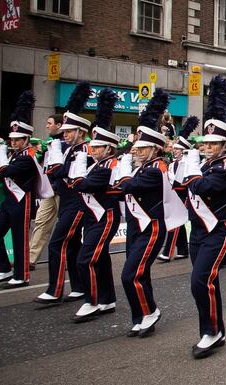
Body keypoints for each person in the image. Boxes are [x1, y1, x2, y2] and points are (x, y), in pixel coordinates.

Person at [181, 81, 226, 356]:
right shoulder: (206, 164)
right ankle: (214, 328)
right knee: (204, 281)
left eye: (214, 143)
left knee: (200, 280)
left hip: (218, 228)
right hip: (198, 228)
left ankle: (211, 332)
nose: (208, 147)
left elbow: (200, 186)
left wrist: (190, 167)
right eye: (206, 143)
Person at [114, 89, 170, 337]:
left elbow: (128, 186)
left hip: (152, 227)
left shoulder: (156, 168)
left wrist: (124, 170)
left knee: (130, 274)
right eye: (135, 148)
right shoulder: (141, 167)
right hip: (137, 225)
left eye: (141, 148)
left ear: (155, 149)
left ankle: (150, 312)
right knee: (138, 273)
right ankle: (140, 315)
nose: (135, 151)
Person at [35, 82, 93, 304]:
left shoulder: (86, 150)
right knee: (72, 244)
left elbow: (62, 171)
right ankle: (78, 286)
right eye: (65, 131)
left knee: (57, 243)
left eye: (70, 131)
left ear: (80, 132)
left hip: (78, 202)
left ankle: (54, 290)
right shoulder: (68, 149)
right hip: (66, 199)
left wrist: (58, 164)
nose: (65, 134)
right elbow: (53, 172)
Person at [68, 89, 121, 322]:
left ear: (109, 148)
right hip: (93, 218)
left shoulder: (107, 167)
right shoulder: (97, 165)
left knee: (85, 259)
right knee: (101, 258)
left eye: (98, 147)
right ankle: (107, 299)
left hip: (105, 217)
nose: (93, 150)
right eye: (93, 147)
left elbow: (81, 185)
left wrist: (78, 168)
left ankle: (92, 301)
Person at [0, 91, 42, 288]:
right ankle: (2, 268)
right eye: (12, 139)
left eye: (18, 139)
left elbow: (3, 172)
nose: (14, 142)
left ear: (26, 139)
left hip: (22, 201)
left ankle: (22, 275)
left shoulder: (28, 156)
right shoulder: (14, 154)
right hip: (8, 200)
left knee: (19, 240)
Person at [159, 116, 200, 262]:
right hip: (174, 195)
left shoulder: (188, 162)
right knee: (178, 222)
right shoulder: (172, 164)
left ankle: (168, 252)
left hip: (184, 195)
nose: (175, 151)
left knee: (175, 221)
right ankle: (183, 250)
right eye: (174, 149)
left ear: (184, 150)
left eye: (178, 149)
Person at [28, 114, 64, 269]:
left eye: (50, 123)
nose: (47, 126)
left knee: (67, 226)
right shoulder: (49, 144)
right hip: (50, 190)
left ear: (59, 125)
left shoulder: (66, 144)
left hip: (63, 190)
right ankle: (30, 260)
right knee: (41, 222)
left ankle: (70, 257)